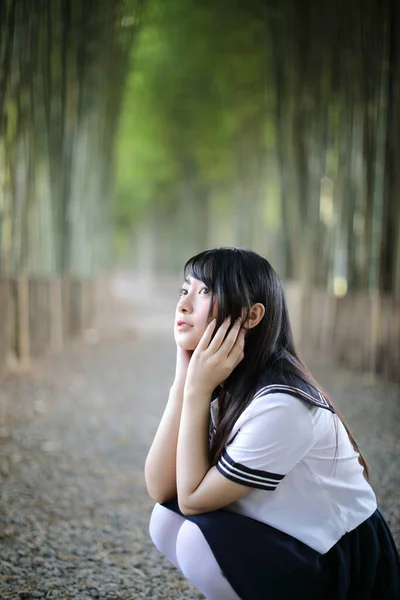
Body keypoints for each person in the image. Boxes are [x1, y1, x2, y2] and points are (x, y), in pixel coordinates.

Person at [144, 247, 400, 600]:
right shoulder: (228, 377)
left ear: (251, 316)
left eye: (204, 291)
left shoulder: (283, 403)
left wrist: (197, 391)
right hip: (291, 536)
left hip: (343, 563)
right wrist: (184, 379)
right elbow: (161, 489)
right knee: (165, 520)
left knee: (193, 538)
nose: (184, 305)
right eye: (184, 289)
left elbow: (192, 500)